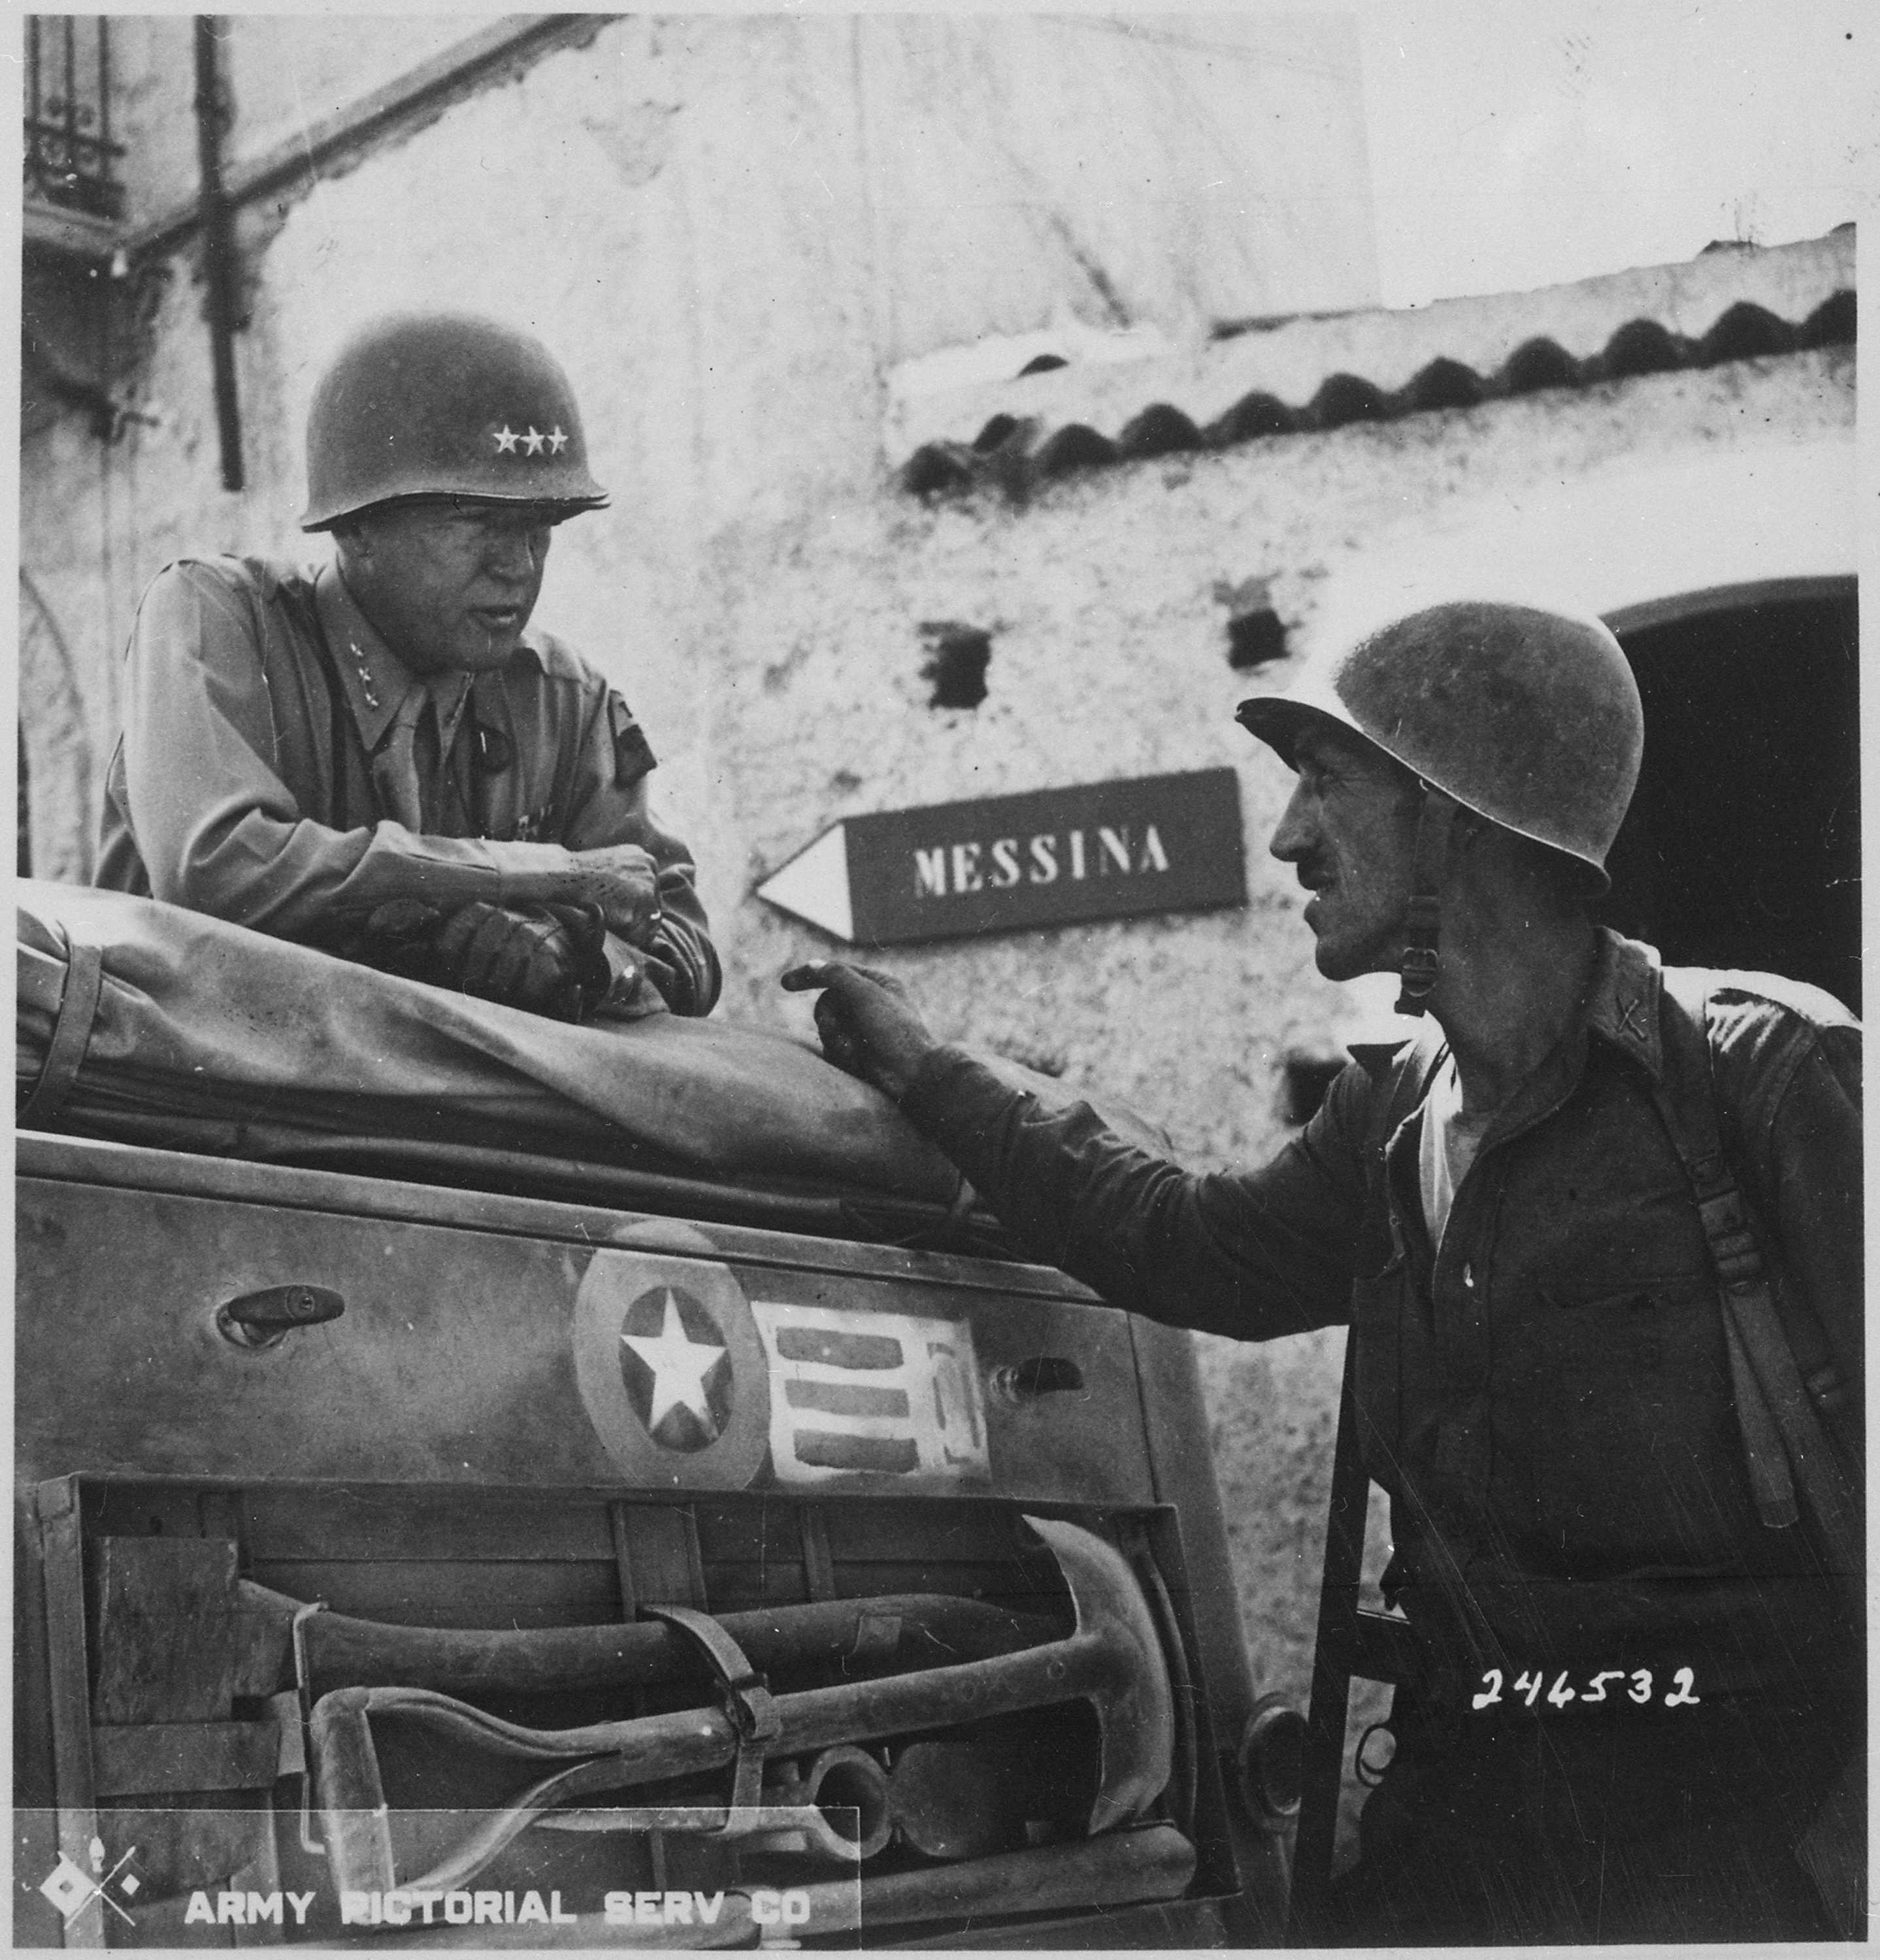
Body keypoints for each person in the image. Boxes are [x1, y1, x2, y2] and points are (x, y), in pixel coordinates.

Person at [782, 599, 1862, 1944]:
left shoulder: (1755, 1080)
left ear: (1458, 815)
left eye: (1329, 782)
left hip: (1736, 1852)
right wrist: (928, 1075)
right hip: (1463, 1827)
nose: (1290, 834)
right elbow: (1189, 1243)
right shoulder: (1395, 1116)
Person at [98, 312, 720, 1022]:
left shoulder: (564, 700)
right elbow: (219, 871)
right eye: (476, 525)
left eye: (539, 531)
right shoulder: (217, 618)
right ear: (356, 526)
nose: (517, 568)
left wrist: (578, 949)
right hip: (191, 1106)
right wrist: (543, 876)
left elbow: (683, 941)